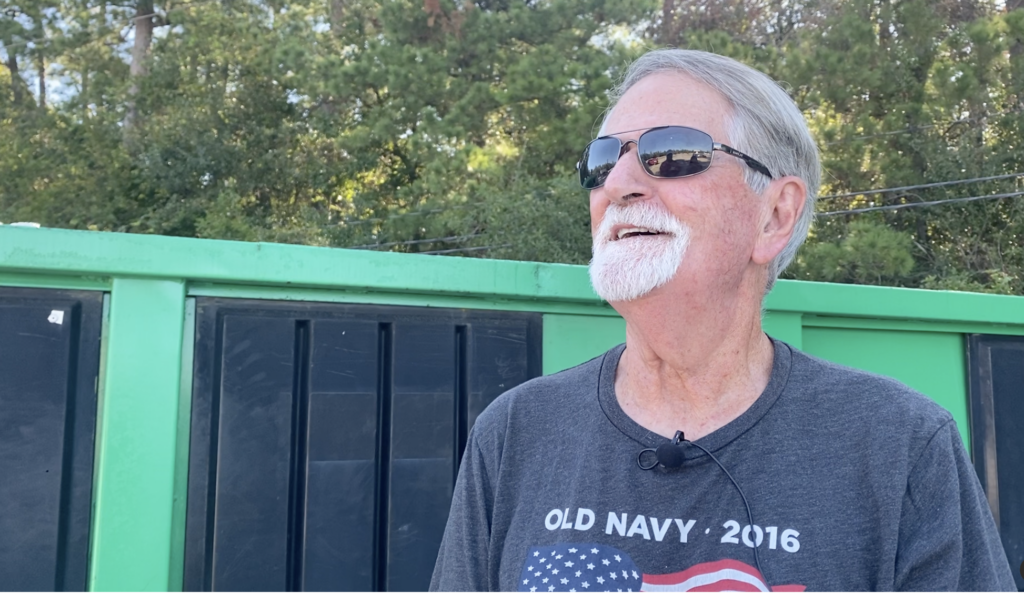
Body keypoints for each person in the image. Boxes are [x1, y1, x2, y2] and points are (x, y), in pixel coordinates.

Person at [430, 49, 1015, 592]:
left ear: (775, 216)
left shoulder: (901, 448)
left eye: (672, 153)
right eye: (603, 159)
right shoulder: (514, 433)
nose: (618, 185)